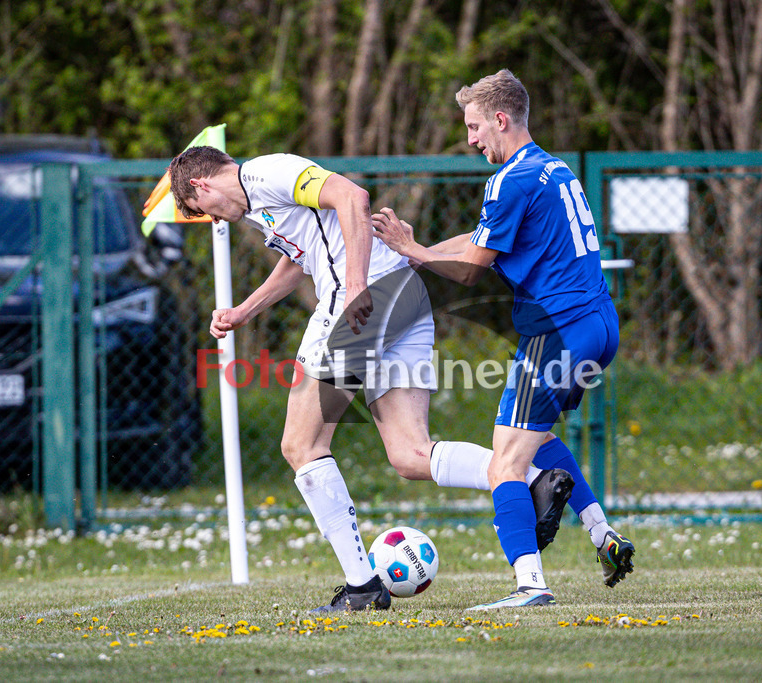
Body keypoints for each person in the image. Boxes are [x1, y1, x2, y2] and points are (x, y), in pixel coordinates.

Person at [168, 146, 573, 613]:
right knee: (410, 454)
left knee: (301, 445)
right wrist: (243, 311)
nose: (217, 220)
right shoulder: (263, 204)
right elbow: (303, 259)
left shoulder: (265, 174)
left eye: (206, 212)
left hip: (364, 303)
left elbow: (351, 196)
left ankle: (361, 587)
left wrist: (357, 285)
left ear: (201, 185)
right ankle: (532, 480)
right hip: (403, 299)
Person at [371, 69, 635, 610]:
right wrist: (411, 249)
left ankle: (531, 587)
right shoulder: (552, 170)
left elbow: (470, 269)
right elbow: (479, 240)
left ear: (499, 119)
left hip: (554, 331)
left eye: (473, 127)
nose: (470, 140)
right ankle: (603, 536)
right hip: (598, 326)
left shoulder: (508, 179)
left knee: (504, 465)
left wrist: (413, 251)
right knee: (536, 443)